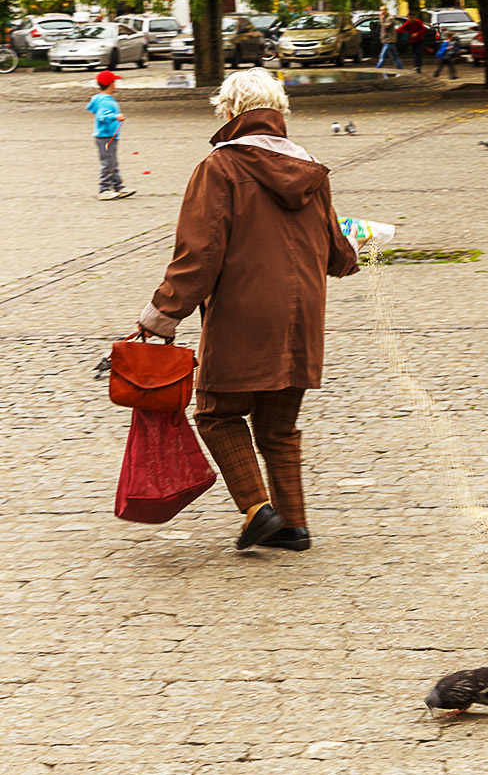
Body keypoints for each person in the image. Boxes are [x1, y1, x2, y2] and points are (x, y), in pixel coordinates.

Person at [134, 68, 360, 551]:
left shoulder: (220, 167)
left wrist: (163, 313)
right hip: (301, 318)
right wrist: (356, 250)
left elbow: (201, 252)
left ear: (230, 111)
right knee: (278, 426)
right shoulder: (311, 167)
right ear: (279, 111)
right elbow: (336, 252)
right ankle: (294, 526)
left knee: (217, 412)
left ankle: (259, 509)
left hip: (243, 313)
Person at [86, 71, 135, 201]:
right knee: (108, 163)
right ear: (110, 84)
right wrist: (115, 116)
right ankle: (104, 189)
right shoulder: (105, 101)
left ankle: (118, 187)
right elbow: (102, 116)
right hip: (105, 136)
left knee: (112, 162)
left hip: (108, 136)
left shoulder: (100, 98)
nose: (116, 85)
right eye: (114, 82)